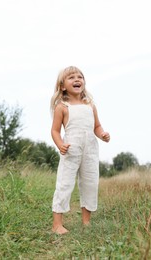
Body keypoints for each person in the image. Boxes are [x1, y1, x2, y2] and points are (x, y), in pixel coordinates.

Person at [50, 66, 110, 234]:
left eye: (80, 77)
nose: (77, 79)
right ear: (62, 86)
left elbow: (96, 126)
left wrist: (103, 134)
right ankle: (57, 224)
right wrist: (60, 144)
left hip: (90, 150)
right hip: (71, 150)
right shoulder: (62, 107)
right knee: (65, 183)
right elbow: (55, 130)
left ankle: (86, 222)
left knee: (90, 182)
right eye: (71, 77)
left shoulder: (90, 106)